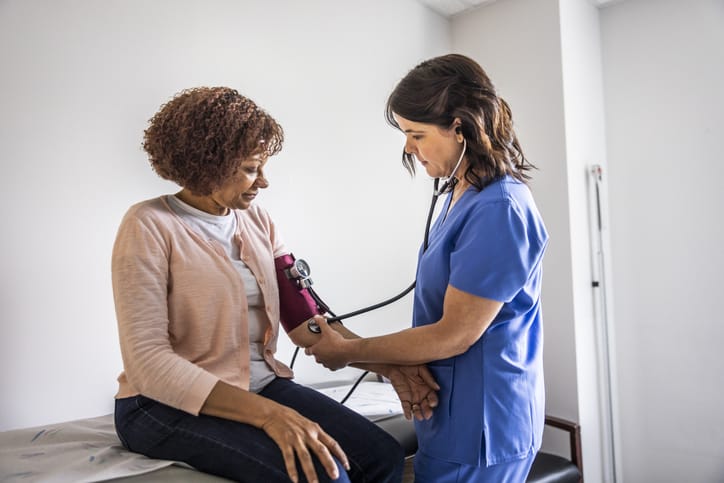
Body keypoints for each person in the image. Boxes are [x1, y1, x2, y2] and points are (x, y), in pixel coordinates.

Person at [111, 86, 437, 483]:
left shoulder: (259, 222)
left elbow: (305, 320)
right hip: (162, 405)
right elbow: (149, 365)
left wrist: (387, 365)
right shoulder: (148, 224)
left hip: (260, 386)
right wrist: (272, 417)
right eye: (251, 168)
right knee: (325, 476)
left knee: (381, 456)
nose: (263, 182)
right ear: (206, 163)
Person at [306, 54, 549, 483]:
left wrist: (347, 353)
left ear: (461, 127)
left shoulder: (500, 208)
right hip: (451, 414)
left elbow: (455, 333)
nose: (408, 147)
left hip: (483, 424)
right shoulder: (460, 195)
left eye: (416, 134)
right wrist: (391, 364)